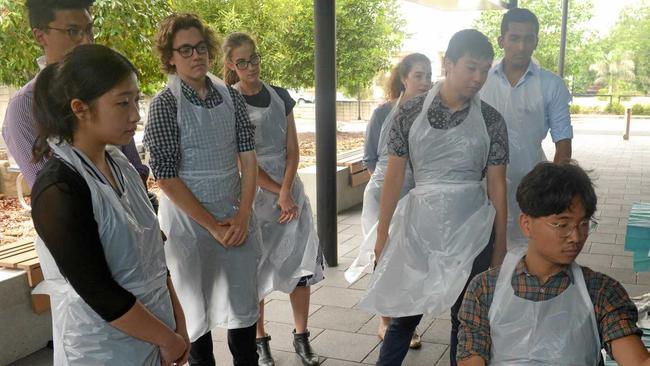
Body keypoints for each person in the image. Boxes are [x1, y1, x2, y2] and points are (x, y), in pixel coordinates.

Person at [30, 44, 188, 366]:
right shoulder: (59, 189)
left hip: (154, 332)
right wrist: (167, 338)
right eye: (122, 103)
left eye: (136, 100)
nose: (135, 114)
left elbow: (151, 255)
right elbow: (98, 290)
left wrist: (176, 323)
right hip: (103, 350)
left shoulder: (119, 163)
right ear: (81, 109)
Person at [358, 29, 508, 365]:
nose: (479, 78)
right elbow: (394, 177)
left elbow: (498, 184)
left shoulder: (491, 119)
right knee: (405, 313)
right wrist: (382, 236)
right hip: (420, 225)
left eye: (485, 70)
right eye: (471, 67)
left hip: (472, 225)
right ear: (449, 63)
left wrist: (500, 246)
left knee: (466, 318)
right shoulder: (409, 112)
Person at [144, 14, 260, 366]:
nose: (196, 56)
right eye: (185, 49)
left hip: (234, 214)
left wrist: (242, 215)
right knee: (196, 319)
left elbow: (249, 158)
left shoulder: (232, 98)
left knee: (244, 311)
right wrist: (212, 224)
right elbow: (165, 177)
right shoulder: (164, 104)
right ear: (170, 57)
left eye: (200, 47)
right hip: (189, 225)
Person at [456, 161, 650, 365]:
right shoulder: (485, 289)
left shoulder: (601, 291)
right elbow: (471, 359)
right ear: (526, 224)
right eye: (562, 224)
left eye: (583, 224)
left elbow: (637, 360)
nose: (576, 237)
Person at [222, 32, 325, 366]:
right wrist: (275, 191)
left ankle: (301, 336)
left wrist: (286, 190)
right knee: (256, 272)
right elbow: (241, 159)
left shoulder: (281, 96)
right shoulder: (230, 100)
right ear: (230, 65)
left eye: (255, 58)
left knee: (300, 268)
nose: (251, 66)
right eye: (243, 61)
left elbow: (292, 148)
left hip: (289, 192)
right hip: (254, 194)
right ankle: (260, 340)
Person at [1, 0, 151, 192]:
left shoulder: (105, 87)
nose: (87, 41)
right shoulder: (24, 107)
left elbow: (135, 167)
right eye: (73, 31)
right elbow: (50, 191)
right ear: (40, 36)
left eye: (89, 29)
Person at [347, 53, 432, 349]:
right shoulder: (383, 112)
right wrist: (385, 185)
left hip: (416, 196)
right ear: (404, 78)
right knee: (381, 255)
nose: (425, 82)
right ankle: (385, 320)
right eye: (418, 75)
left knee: (412, 260)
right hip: (382, 192)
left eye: (428, 75)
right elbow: (370, 155)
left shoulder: (432, 114)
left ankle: (406, 322)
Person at [480, 8, 573, 250]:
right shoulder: (482, 81)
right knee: (486, 252)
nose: (522, 46)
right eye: (514, 38)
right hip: (483, 186)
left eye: (528, 38)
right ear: (501, 40)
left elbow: (563, 140)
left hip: (532, 184)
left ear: (536, 41)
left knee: (529, 253)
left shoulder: (551, 84)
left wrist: (555, 189)